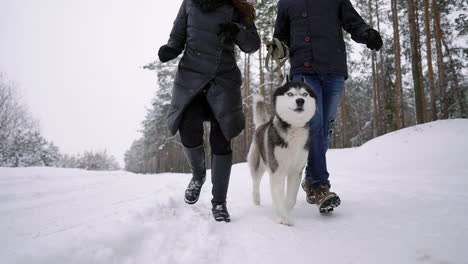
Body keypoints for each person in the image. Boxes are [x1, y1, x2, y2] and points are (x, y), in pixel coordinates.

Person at [272, 0, 383, 213]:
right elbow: (281, 36)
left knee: (325, 128)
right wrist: (277, 47)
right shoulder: (286, 2)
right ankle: (321, 186)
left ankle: (310, 179)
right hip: (304, 70)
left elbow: (353, 22)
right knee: (314, 126)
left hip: (334, 69)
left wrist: (367, 33)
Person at [158, 0, 260, 222]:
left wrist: (237, 31)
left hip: (223, 82)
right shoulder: (189, 4)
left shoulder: (239, 7)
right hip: (191, 79)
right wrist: (170, 50)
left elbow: (253, 45)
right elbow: (177, 36)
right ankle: (198, 176)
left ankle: (219, 203)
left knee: (221, 140)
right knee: (188, 128)